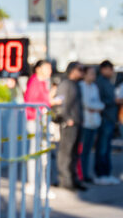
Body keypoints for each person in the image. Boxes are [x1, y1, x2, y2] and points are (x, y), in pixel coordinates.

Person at [24, 60, 55, 197]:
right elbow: (31, 102)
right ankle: (35, 184)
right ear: (38, 69)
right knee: (37, 154)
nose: (50, 71)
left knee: (41, 154)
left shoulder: (42, 83)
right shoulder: (34, 82)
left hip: (41, 121)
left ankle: (39, 184)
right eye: (47, 68)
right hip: (36, 121)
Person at [56, 61, 85, 191]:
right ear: (72, 70)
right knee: (66, 152)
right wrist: (66, 118)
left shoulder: (76, 84)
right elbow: (61, 103)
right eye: (80, 70)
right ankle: (65, 180)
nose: (82, 73)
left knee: (74, 153)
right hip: (69, 124)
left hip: (77, 122)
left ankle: (73, 179)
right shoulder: (66, 84)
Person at [94, 60, 120, 185]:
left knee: (107, 148)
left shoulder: (108, 82)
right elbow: (100, 101)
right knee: (102, 148)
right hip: (104, 119)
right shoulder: (100, 82)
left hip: (110, 118)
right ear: (103, 69)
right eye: (110, 69)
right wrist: (114, 101)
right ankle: (101, 174)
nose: (112, 72)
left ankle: (107, 173)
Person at [80, 66, 104, 183]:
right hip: (85, 123)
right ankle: (81, 174)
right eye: (91, 73)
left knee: (89, 150)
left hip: (94, 122)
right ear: (84, 74)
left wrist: (95, 107)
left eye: (94, 74)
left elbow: (99, 104)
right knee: (83, 150)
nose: (93, 76)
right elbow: (87, 104)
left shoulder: (94, 87)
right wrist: (94, 107)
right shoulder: (81, 86)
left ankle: (85, 173)